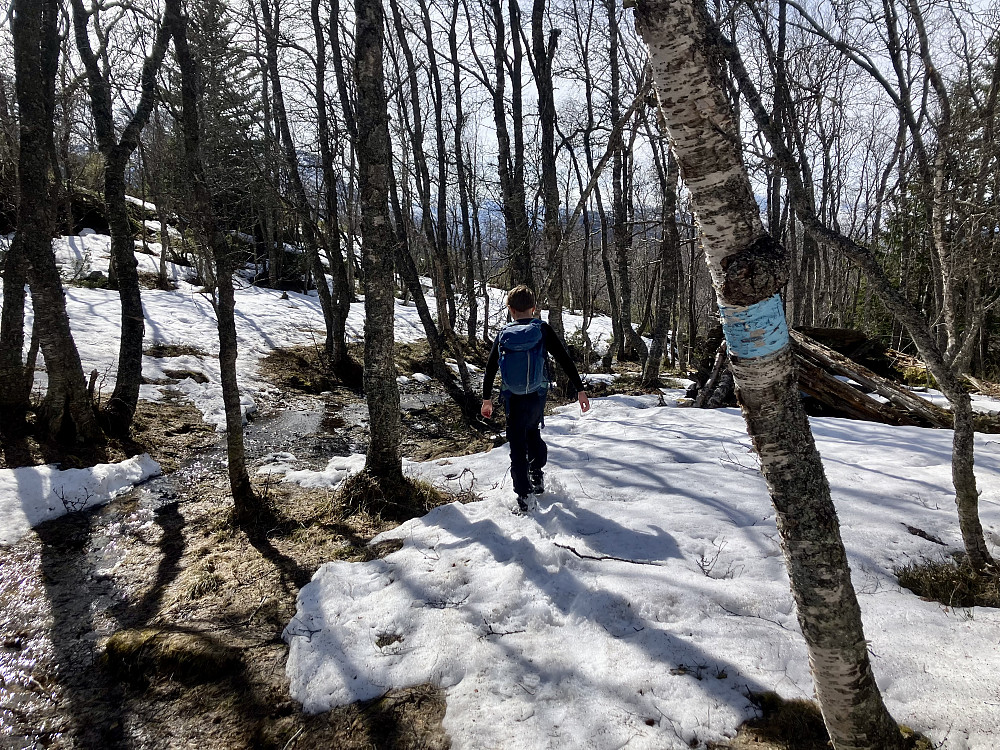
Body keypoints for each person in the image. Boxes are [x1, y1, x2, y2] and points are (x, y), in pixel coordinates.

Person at [481, 285, 591, 512]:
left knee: (517, 446)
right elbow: (563, 358)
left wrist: (486, 399)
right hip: (536, 397)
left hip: (512, 398)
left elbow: (491, 367)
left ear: (510, 310)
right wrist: (580, 389)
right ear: (534, 308)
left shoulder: (503, 334)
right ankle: (537, 473)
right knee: (533, 432)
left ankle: (524, 497)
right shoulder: (542, 329)